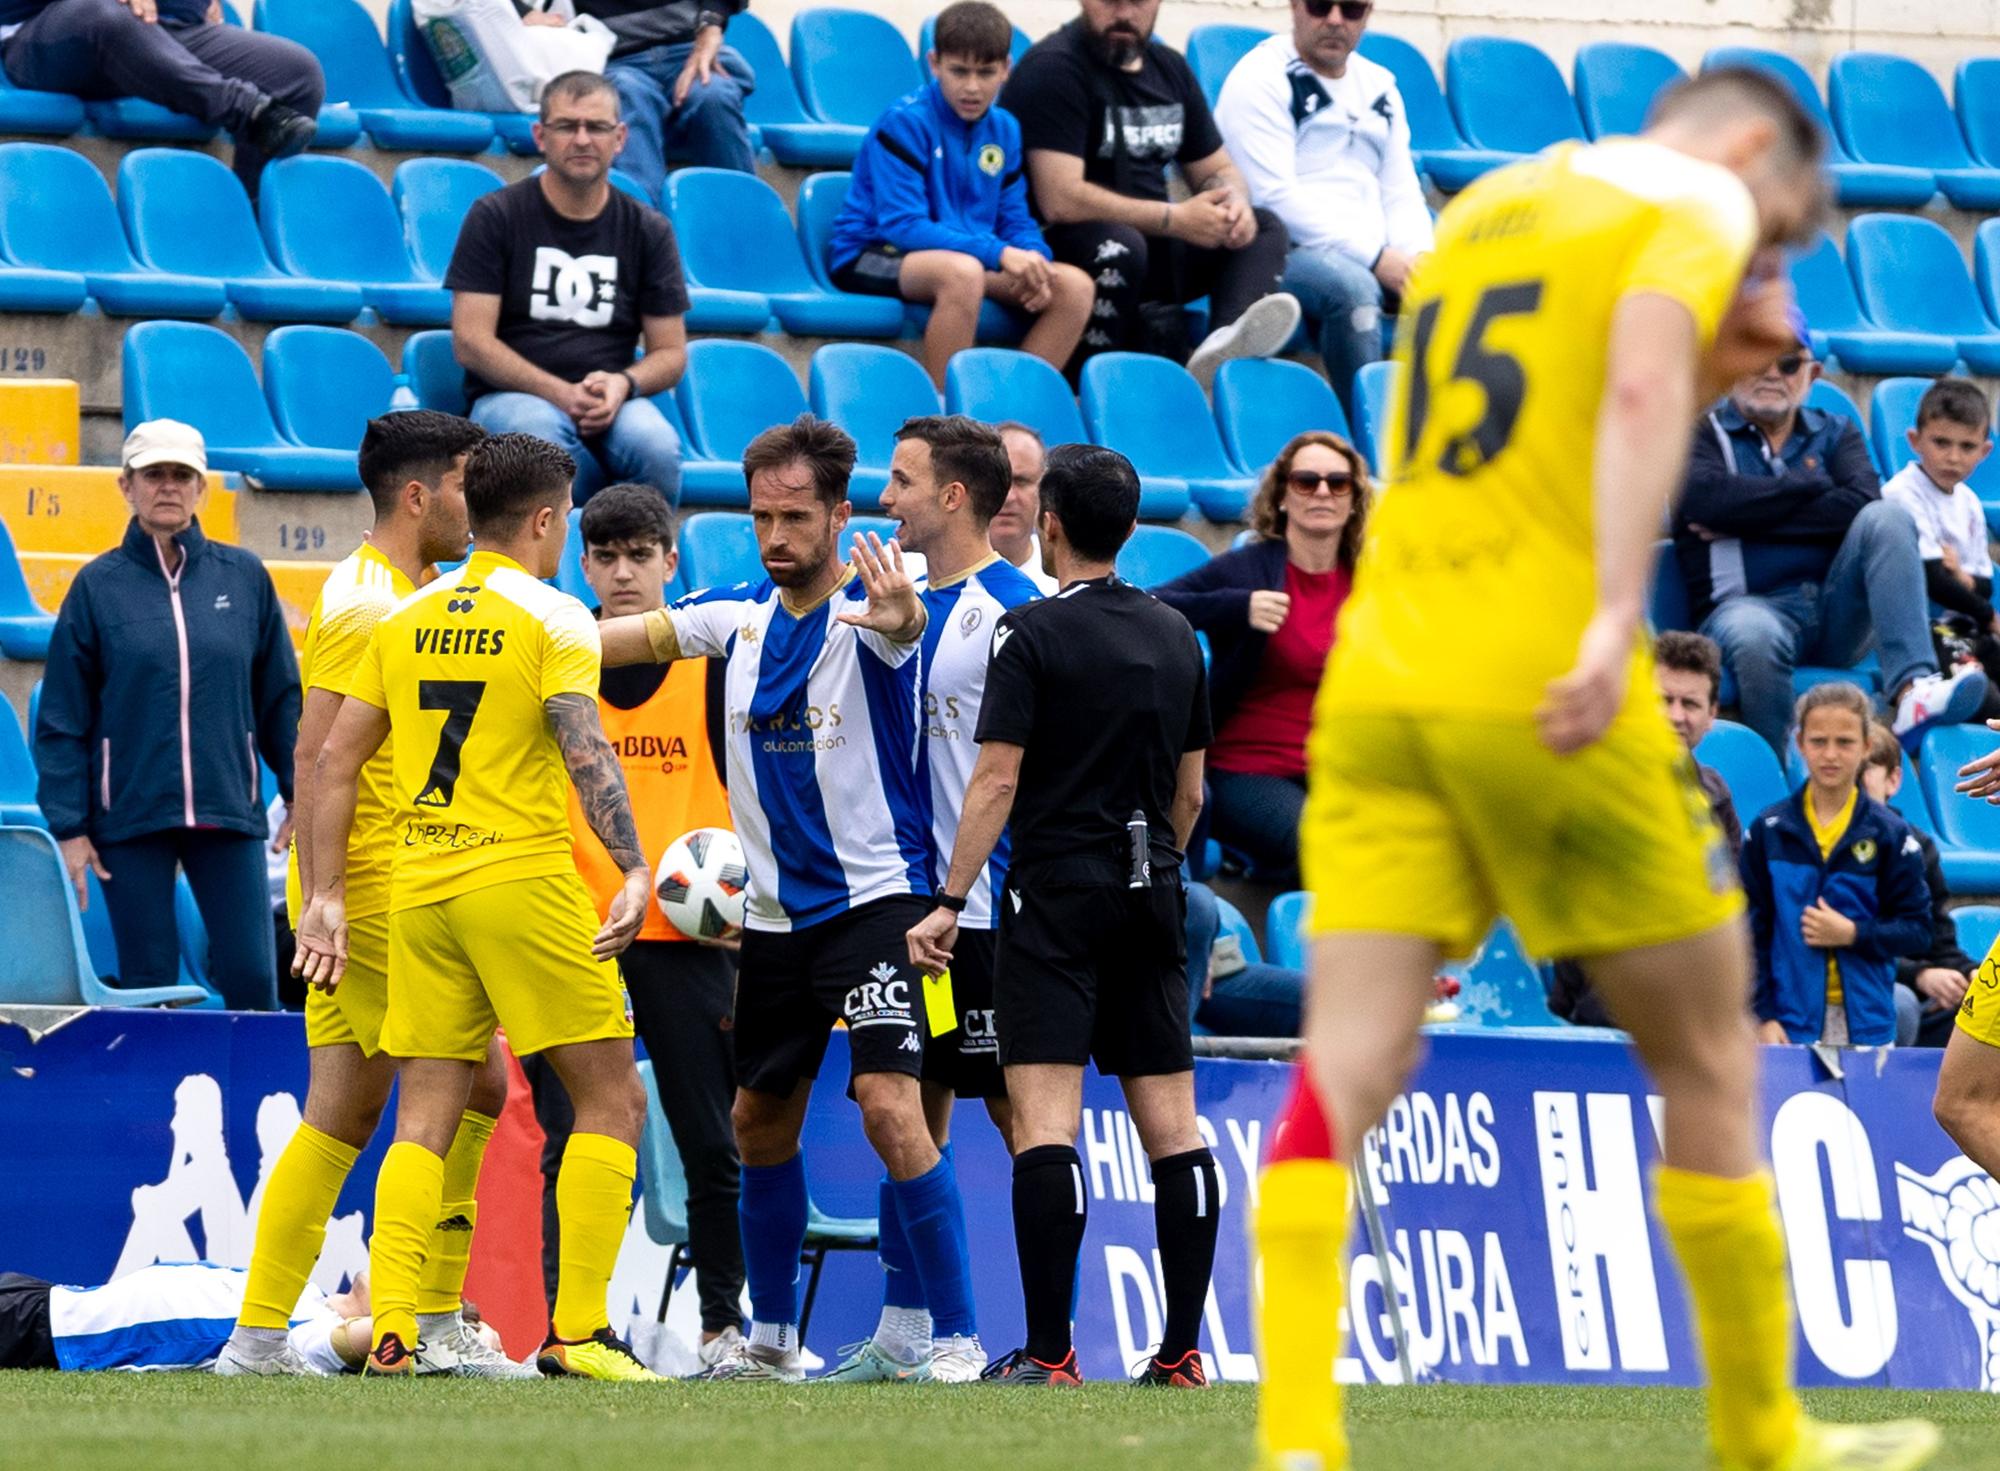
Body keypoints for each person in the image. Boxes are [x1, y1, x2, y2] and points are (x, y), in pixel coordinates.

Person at [1264, 63, 1943, 1471]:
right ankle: (1762, 1434)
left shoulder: (1495, 208)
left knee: (1346, 1060)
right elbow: (1638, 388)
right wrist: (1601, 615)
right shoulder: (1692, 196)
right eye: (1787, 229)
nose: (1773, 260)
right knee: (1703, 1046)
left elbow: (1495, 422)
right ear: (1752, 148)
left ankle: (1297, 1438)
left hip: (1391, 669)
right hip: (1544, 665)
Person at [596, 416, 983, 1384]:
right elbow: (625, 636)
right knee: (756, 1122)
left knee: (894, 1110)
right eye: (761, 515)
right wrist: (518, 629)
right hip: (767, 921)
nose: (775, 535)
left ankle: (958, 1338)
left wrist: (897, 611)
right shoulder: (733, 615)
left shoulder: (880, 610)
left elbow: (903, 627)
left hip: (875, 909)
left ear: (840, 515)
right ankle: (769, 1340)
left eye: (795, 516)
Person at [294, 433, 660, 1383]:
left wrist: (325, 893)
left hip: (417, 887)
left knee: (423, 1111)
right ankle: (577, 1334)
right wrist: (629, 866)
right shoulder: (555, 618)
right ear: (545, 519)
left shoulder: (404, 615)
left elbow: (335, 762)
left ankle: (395, 1331)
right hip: (521, 880)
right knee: (612, 1096)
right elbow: (585, 749)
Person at [219, 413, 526, 1380]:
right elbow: (315, 755)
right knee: (463, 1086)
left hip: (378, 884)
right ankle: (423, 1322)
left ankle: (265, 1337)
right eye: (468, 488)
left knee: (347, 1110)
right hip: (382, 890)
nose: (478, 511)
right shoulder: (368, 605)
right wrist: (327, 898)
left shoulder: (395, 591)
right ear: (419, 494)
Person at [907, 443, 1218, 1389]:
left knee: (1047, 1123)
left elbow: (996, 775)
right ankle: (1180, 1352)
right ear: (1128, 528)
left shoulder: (1031, 632)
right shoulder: (1175, 636)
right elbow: (1193, 795)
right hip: (1152, 890)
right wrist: (1152, 862)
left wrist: (952, 899)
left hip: (1054, 896)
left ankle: (1051, 1352)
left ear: (1049, 526)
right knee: (1176, 1128)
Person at [823, 415, 1039, 1383]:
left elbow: (1025, 770)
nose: (886, 497)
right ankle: (910, 1324)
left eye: (903, 480)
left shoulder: (1017, 610)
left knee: (1016, 1116)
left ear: (954, 496)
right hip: (918, 910)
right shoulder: (904, 602)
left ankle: (1046, 1339)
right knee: (914, 1103)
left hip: (990, 911)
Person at [523, 483, 746, 1371]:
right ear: (584, 563)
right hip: (574, 936)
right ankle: (569, 1326)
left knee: (710, 1140)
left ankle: (724, 1325)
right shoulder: (552, 655)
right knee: (573, 1140)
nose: (621, 572)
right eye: (605, 556)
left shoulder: (713, 663)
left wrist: (751, 903)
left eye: (639, 555)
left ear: (670, 562)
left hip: (691, 938)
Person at [35, 419, 298, 1008]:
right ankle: (159, 1104)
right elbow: (61, 719)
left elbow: (282, 697)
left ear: (202, 488)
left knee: (254, 980)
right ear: (127, 485)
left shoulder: (245, 577)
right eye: (154, 474)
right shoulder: (96, 587)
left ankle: (249, 1099)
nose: (169, 487)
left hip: (227, 810)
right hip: (130, 815)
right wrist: (70, 828)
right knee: (151, 986)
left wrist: (299, 792)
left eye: (183, 475)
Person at [1677, 342, 1986, 756]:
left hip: (1831, 608)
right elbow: (1706, 502)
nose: (1772, 373)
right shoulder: (1704, 434)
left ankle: (1914, 688)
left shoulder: (1836, 430)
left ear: (1813, 373)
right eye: (1757, 359)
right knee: (1756, 633)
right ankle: (1779, 766)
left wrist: (1745, 514)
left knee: (1888, 517)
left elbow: (1861, 501)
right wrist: (1810, 486)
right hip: (1745, 607)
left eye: (1788, 364)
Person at [999, 0, 1300, 385]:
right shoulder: (1054, 68)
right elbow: (1060, 199)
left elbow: (1217, 168)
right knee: (1122, 246)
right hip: (1066, 247)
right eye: (1111, 1)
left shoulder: (1169, 69)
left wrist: (1230, 201)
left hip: (1155, 247)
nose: (1124, 13)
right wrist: (1174, 219)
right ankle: (1085, 388)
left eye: (1137, 1)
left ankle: (1221, 356)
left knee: (1263, 226)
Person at [446, 70, 691, 507]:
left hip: (610, 399)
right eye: (567, 126)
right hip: (512, 397)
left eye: (596, 127)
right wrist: (560, 393)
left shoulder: (648, 229)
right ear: (541, 135)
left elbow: (671, 354)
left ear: (619, 138)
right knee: (540, 440)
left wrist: (622, 384)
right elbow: (471, 342)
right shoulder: (495, 215)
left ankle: (643, 567)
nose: (582, 139)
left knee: (657, 447)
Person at [828, 1, 1094, 389]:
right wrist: (999, 253)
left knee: (1073, 287)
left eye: (986, 73)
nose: (972, 86)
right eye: (959, 71)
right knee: (962, 274)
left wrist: (1034, 260)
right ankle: (944, 425)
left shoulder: (1005, 129)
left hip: (963, 256)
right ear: (934, 64)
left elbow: (1015, 218)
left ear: (1006, 69)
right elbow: (903, 226)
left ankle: (1007, 410)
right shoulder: (905, 121)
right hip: (872, 253)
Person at [1155, 430, 1367, 887]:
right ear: (1283, 496)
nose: (1324, 492)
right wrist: (1236, 606)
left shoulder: (1367, 580)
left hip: (1336, 768)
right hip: (1247, 768)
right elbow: (1151, 605)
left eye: (1339, 483)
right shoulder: (1251, 568)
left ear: (1354, 499)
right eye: (1306, 481)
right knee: (1327, 844)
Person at [1213, 0, 1431, 416]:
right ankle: (1369, 446)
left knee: (1454, 286)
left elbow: (1401, 190)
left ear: (1367, 13)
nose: (1334, 19)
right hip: (1280, 252)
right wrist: (1375, 257)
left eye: (1350, 8)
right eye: (1319, 5)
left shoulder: (1380, 85)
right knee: (1353, 290)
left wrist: (1419, 257)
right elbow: (1271, 196)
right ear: (1295, 6)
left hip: (1373, 251)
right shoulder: (1260, 77)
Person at [1548, 631, 1745, 1029]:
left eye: (1690, 703)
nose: (1676, 716)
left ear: (1711, 716)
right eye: (1663, 700)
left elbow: (1728, 906)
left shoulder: (1717, 798)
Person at [1741, 684, 1929, 1049]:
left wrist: (1852, 933)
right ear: (1800, 744)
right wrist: (1763, 1015)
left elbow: (1918, 930)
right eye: (1818, 741)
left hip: (1867, 1025)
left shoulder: (1890, 833)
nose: (1830, 755)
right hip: (1787, 1025)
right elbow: (1750, 934)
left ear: (1866, 747)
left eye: (1844, 742)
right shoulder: (1768, 830)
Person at [0, 0, 319, 195]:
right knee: (107, 15)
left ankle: (246, 219)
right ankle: (248, 110)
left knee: (296, 73)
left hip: (165, 31)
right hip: (55, 30)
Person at [2, 1263, 371, 1374]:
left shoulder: (312, 1338)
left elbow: (360, 1339)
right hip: (49, 1295)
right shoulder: (307, 1292)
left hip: (50, 1332)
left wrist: (407, 1323)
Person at [1881, 377, 2000, 715]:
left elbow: (1984, 584)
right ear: (1915, 441)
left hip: (1969, 627)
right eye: (1941, 443)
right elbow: (1933, 580)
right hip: (1928, 631)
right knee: (1987, 699)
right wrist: (1987, 612)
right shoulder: (1903, 492)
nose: (1953, 457)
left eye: (1966, 447)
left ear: (1985, 450)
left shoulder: (1970, 502)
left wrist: (1961, 577)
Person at [1858, 723, 1970, 1048]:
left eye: (1863, 768)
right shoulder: (1814, 842)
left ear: (1893, 780)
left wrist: (1968, 975)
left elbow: (1940, 941)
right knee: (1899, 1004)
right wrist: (1918, 975)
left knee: (1986, 1007)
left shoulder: (1916, 845)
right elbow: (1837, 942)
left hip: (1915, 990)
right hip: (1850, 990)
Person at [577, 0, 755, 197]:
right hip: (614, 58)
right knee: (626, 94)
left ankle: (743, 214)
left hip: (690, 47)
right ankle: (641, 220)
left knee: (714, 95)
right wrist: (534, 14)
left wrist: (711, 25)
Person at [1184, 880, 1302, 1036]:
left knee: (1328, 1001)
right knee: (1196, 899)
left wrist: (1201, 945)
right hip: (1155, 974)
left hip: (1205, 975)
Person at [992, 421, 1057, 594]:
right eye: (999, 482)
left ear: (1043, 489)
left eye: (1021, 481)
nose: (1008, 497)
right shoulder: (926, 573)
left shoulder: (1064, 579)